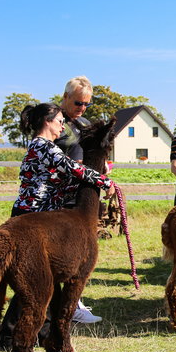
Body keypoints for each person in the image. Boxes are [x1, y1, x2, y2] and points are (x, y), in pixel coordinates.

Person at [0, 103, 114, 350]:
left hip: (39, 215)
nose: (63, 124)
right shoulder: (43, 146)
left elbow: (64, 182)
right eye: (59, 120)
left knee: (42, 280)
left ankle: (42, 334)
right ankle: (9, 337)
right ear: (47, 121)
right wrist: (103, 181)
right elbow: (73, 168)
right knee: (33, 281)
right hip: (31, 216)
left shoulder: (47, 148)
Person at [56, 75, 103, 323]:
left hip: (83, 197)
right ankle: (66, 305)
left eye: (86, 104)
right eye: (77, 103)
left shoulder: (84, 123)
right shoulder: (53, 122)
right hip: (61, 197)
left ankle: (74, 301)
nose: (82, 109)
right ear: (65, 97)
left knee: (82, 250)